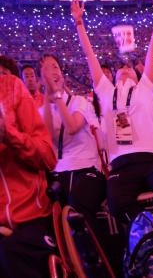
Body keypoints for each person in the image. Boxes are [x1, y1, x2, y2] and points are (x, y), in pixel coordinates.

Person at [71, 0, 153, 251]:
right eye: (120, 69)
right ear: (113, 78)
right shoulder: (106, 92)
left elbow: (152, 50)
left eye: (130, 68)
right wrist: (79, 25)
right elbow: (90, 58)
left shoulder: (145, 88)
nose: (125, 69)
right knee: (117, 203)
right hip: (122, 164)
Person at [38, 54, 106, 229]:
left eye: (55, 67)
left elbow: (72, 127)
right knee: (49, 212)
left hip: (87, 168)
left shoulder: (79, 102)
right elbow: (46, 136)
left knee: (77, 207)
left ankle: (89, 253)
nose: (51, 72)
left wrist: (58, 94)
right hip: (59, 171)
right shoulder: (41, 110)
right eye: (45, 69)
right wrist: (48, 96)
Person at [0, 73, 57, 278]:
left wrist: (9, 134)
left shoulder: (12, 88)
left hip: (31, 216)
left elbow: (48, 158)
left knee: (10, 253)